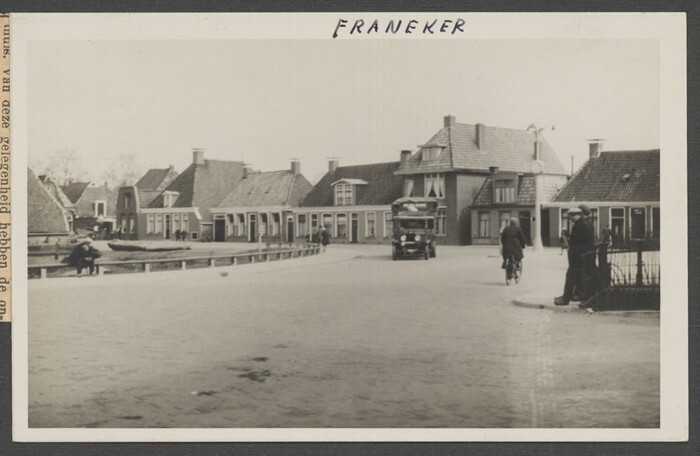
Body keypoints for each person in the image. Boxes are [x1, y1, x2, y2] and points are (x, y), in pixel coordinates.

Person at [554, 207, 595, 306]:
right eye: (570, 216)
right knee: (578, 277)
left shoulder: (580, 226)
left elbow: (578, 242)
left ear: (579, 215)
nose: (571, 218)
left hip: (577, 257)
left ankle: (565, 299)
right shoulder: (586, 224)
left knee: (570, 276)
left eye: (573, 216)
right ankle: (577, 295)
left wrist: (568, 242)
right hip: (584, 256)